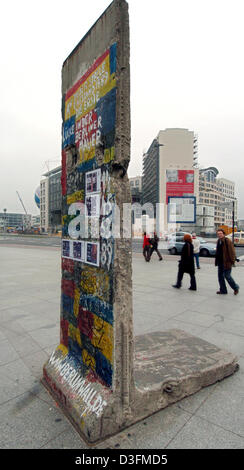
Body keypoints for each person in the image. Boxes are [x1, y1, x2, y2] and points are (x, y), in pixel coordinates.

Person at [215, 228, 239, 295]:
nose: (219, 235)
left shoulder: (227, 241)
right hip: (220, 262)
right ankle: (223, 290)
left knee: (227, 276)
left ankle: (236, 287)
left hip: (227, 262)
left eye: (220, 233)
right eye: (218, 234)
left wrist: (232, 261)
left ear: (224, 234)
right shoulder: (218, 241)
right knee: (220, 277)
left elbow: (232, 252)